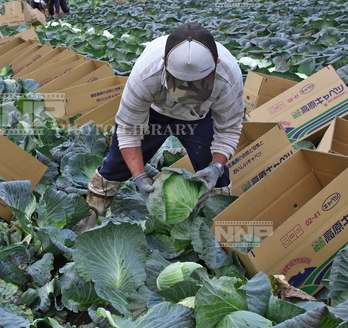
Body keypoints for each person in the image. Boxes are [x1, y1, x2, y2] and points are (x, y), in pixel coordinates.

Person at [76, 22, 244, 234]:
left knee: (216, 178)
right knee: (116, 166)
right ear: (164, 64)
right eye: (181, 83)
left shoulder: (228, 78)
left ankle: (216, 234)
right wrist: (139, 177)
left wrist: (216, 167)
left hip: (199, 117)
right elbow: (128, 130)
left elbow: (228, 129)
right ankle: (90, 220)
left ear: (216, 65)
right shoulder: (146, 74)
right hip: (154, 112)